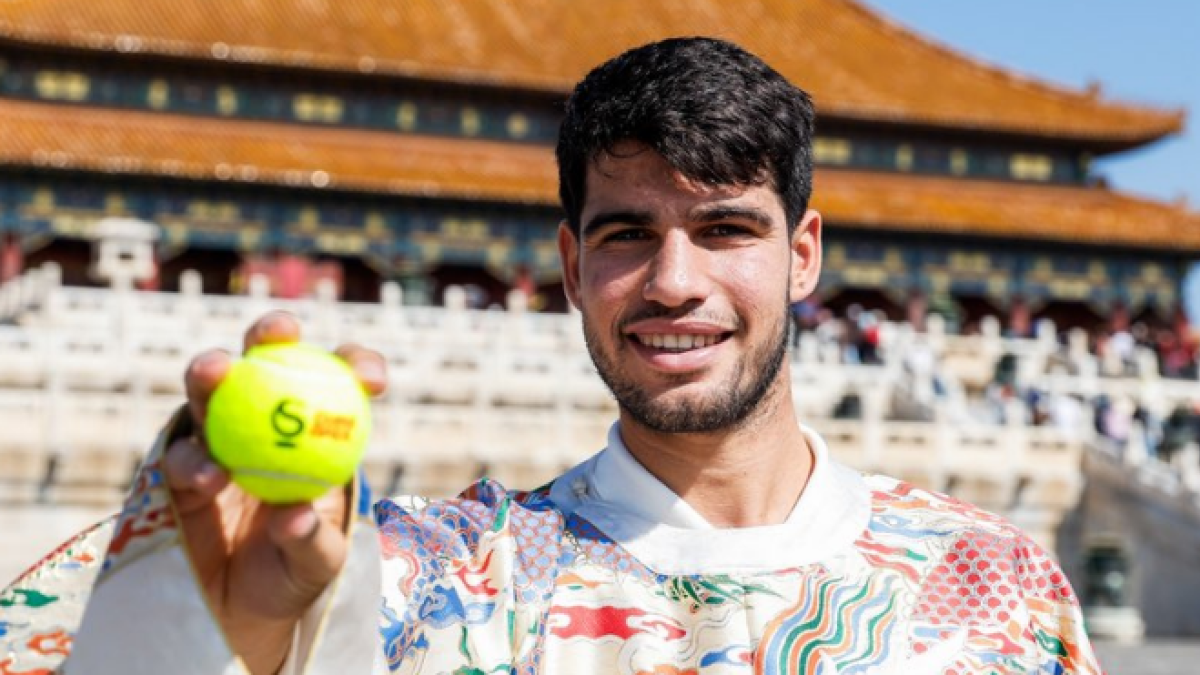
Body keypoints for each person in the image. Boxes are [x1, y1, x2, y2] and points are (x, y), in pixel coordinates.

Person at [2, 37, 1100, 674]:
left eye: (725, 229)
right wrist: (211, 618)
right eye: (627, 235)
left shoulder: (994, 587)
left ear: (803, 255)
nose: (675, 281)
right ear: (571, 267)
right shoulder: (431, 586)